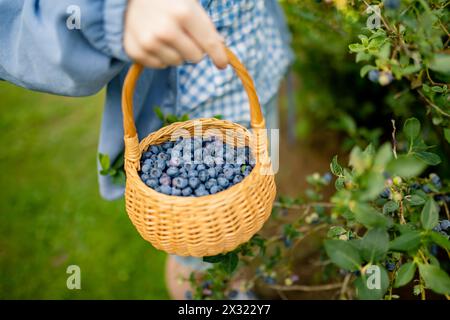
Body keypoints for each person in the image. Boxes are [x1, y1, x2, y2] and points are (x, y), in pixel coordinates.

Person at [0, 0, 292, 298]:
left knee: (243, 214)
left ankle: (238, 287)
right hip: (188, 103)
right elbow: (13, 22)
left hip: (256, 70)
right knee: (193, 251)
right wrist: (113, 14)